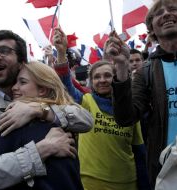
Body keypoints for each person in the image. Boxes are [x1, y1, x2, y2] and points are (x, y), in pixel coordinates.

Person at [0, 30, 93, 190]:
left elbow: (86, 121)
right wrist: (44, 148)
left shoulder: (39, 102)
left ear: (22, 62)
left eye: (4, 51)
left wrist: (39, 110)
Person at [106, 0, 177, 188]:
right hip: (169, 169)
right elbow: (125, 118)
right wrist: (121, 67)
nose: (166, 14)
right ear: (152, 28)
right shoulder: (146, 71)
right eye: (159, 13)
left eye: (172, 9)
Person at [53, 27, 149, 190]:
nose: (102, 80)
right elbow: (65, 84)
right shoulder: (86, 102)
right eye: (97, 77)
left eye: (107, 75)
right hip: (91, 181)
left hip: (128, 182)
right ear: (91, 82)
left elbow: (140, 153)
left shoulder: (131, 109)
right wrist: (61, 53)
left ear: (116, 77)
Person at [0, 61, 91, 189]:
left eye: (22, 82)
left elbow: (87, 121)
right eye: (16, 82)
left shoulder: (20, 124)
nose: (14, 87)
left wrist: (38, 110)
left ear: (42, 90)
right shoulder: (14, 119)